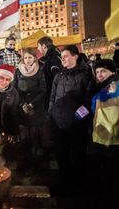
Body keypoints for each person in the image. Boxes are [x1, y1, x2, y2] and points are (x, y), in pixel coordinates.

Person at [49, 45, 94, 192]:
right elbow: (53, 97)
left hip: (76, 126)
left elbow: (88, 101)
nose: (63, 60)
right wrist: (52, 114)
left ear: (75, 56)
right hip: (58, 124)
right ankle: (64, 184)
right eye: (62, 57)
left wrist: (77, 119)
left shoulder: (85, 76)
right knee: (61, 156)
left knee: (76, 156)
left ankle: (77, 187)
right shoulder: (59, 76)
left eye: (66, 56)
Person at [13, 48, 47, 174]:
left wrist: (32, 104)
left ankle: (36, 166)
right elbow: (14, 89)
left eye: (30, 57)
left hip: (36, 111)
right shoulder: (18, 72)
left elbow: (43, 91)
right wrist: (22, 104)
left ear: (34, 58)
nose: (28, 60)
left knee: (35, 139)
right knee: (24, 140)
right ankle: (23, 165)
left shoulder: (40, 72)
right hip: (21, 111)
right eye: (26, 57)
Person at [90, 59, 119, 205]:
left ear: (112, 72)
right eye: (97, 72)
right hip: (105, 138)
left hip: (112, 139)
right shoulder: (103, 87)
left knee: (112, 173)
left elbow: (95, 106)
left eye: (103, 71)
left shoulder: (113, 88)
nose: (99, 75)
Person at [37, 36, 62, 104]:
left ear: (44, 46)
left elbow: (57, 79)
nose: (38, 48)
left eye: (38, 46)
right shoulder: (54, 56)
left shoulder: (53, 59)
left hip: (53, 95)